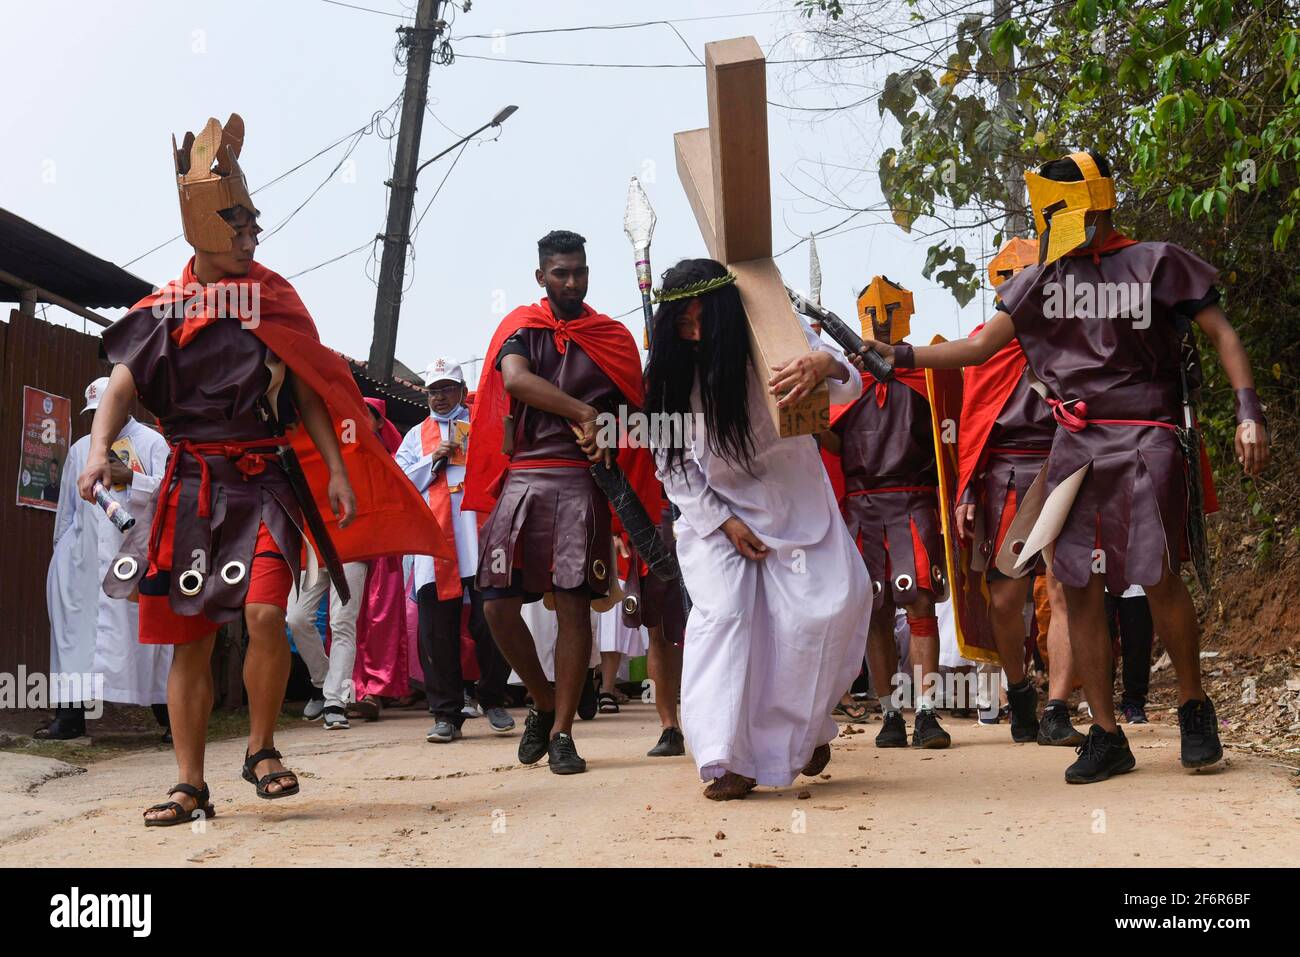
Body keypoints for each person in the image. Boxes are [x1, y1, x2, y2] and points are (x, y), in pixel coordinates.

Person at [79, 113, 448, 825]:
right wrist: (101, 446)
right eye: (241, 224)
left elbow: (310, 388)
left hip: (264, 481)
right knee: (191, 634)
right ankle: (190, 783)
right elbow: (123, 386)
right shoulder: (166, 309)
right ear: (207, 228)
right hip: (193, 487)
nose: (254, 237)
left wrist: (337, 470)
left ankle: (261, 747)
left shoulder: (271, 300)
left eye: (253, 224)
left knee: (265, 613)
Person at [865, 150, 1269, 783]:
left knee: (1157, 574)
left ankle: (1195, 707)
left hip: (1147, 436)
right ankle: (1107, 734)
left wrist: (1249, 411)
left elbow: (1223, 334)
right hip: (1075, 446)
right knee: (1077, 584)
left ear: (1091, 200)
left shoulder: (1156, 262)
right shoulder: (1040, 283)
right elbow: (978, 347)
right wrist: (898, 352)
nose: (1047, 217)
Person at [644, 258, 870, 800]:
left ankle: (807, 729)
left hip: (799, 504)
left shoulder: (776, 330)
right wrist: (722, 522)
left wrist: (823, 365)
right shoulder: (670, 374)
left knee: (830, 610)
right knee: (726, 617)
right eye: (682, 324)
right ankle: (727, 759)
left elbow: (851, 381)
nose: (693, 333)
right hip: (714, 514)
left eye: (702, 321)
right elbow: (672, 464)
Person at [463, 230, 660, 775]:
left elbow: (636, 420)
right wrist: (583, 412)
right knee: (497, 603)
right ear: (541, 277)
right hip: (524, 476)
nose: (572, 282)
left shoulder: (612, 337)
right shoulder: (521, 328)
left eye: (580, 272)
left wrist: (610, 430)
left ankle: (564, 731)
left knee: (574, 606)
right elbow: (517, 382)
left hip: (582, 481)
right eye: (561, 273)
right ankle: (543, 698)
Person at [952, 238, 1083, 746]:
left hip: (1064, 465)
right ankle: (1019, 688)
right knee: (1005, 599)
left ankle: (1056, 707)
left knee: (1064, 589)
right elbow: (973, 424)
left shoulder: (1070, 337)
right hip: (1004, 475)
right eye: (1010, 276)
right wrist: (965, 491)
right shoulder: (983, 344)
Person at [817, 277, 951, 749]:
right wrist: (813, 427)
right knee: (875, 609)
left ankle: (929, 712)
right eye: (872, 309)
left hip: (914, 500)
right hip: (862, 506)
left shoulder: (924, 371)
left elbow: (946, 438)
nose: (880, 316)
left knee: (918, 603)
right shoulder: (848, 379)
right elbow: (837, 443)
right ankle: (891, 712)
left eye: (890, 307)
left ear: (906, 311)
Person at [40, 377, 172, 741]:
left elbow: (173, 494)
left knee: (149, 640)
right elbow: (66, 511)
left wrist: (131, 477)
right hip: (82, 564)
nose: (102, 417)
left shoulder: (151, 442)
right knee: (75, 639)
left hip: (135, 559)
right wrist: (62, 558)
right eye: (95, 412)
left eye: (107, 408)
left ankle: (171, 719)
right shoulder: (82, 449)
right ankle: (69, 719)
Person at [397, 358, 514, 743]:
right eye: (433, 390)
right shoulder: (416, 436)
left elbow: (505, 471)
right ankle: (445, 714)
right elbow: (399, 483)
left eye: (447, 389)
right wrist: (433, 460)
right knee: (437, 631)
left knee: (491, 621)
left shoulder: (483, 426)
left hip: (480, 539)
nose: (440, 397)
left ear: (462, 392)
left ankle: (494, 699)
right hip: (436, 546)